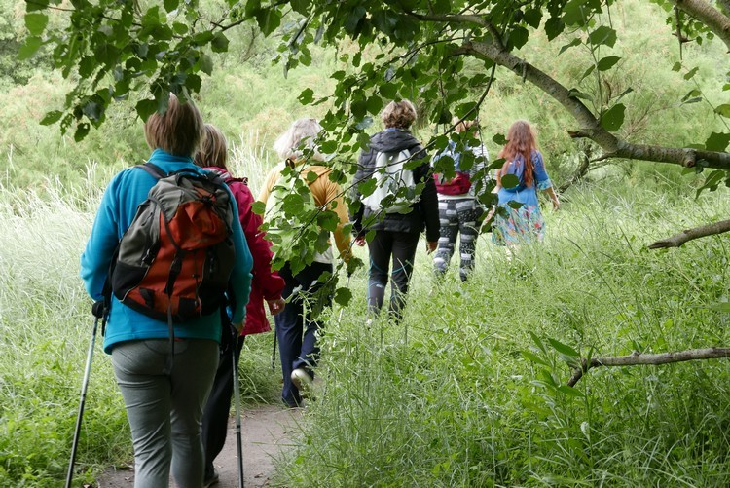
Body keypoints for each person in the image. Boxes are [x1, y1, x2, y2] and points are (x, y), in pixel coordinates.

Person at [80, 94, 253, 488]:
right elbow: (241, 266)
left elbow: (95, 261)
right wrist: (236, 313)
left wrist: (101, 297)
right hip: (199, 333)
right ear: (196, 134)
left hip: (133, 334)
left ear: (151, 129)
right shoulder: (217, 191)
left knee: (150, 450)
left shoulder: (126, 182)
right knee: (187, 435)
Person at [194, 124, 286, 486]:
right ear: (221, 151)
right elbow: (256, 249)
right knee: (218, 384)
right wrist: (273, 290)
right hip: (229, 306)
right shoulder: (235, 191)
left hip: (177, 304)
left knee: (185, 385)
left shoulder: (167, 186)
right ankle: (202, 466)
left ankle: (181, 460)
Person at [258, 118, 352, 408]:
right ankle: (305, 367)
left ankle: (290, 394)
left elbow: (259, 215)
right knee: (318, 319)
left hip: (281, 256)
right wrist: (347, 256)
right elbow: (340, 224)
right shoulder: (327, 176)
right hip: (316, 258)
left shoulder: (277, 173)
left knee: (286, 323)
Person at [351, 99, 439, 321]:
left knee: (376, 272)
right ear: (410, 119)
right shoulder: (417, 150)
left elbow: (357, 187)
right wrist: (433, 235)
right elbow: (429, 194)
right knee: (401, 276)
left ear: (385, 118)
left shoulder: (369, 147)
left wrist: (356, 226)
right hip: (407, 223)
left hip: (375, 220)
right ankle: (394, 323)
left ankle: (372, 319)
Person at [432, 118, 490, 281]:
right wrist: (487, 206)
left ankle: (436, 285)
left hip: (443, 204)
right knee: (467, 248)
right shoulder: (479, 148)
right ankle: (466, 290)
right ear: (476, 130)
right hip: (469, 204)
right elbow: (484, 179)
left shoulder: (442, 147)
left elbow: (434, 176)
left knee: (443, 245)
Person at [491, 120, 560, 248]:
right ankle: (530, 267)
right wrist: (554, 199)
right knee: (533, 242)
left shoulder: (502, 156)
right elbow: (544, 182)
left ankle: (513, 268)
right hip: (527, 204)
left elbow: (498, 185)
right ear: (529, 135)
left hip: (504, 204)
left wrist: (491, 206)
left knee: (511, 243)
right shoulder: (533, 155)